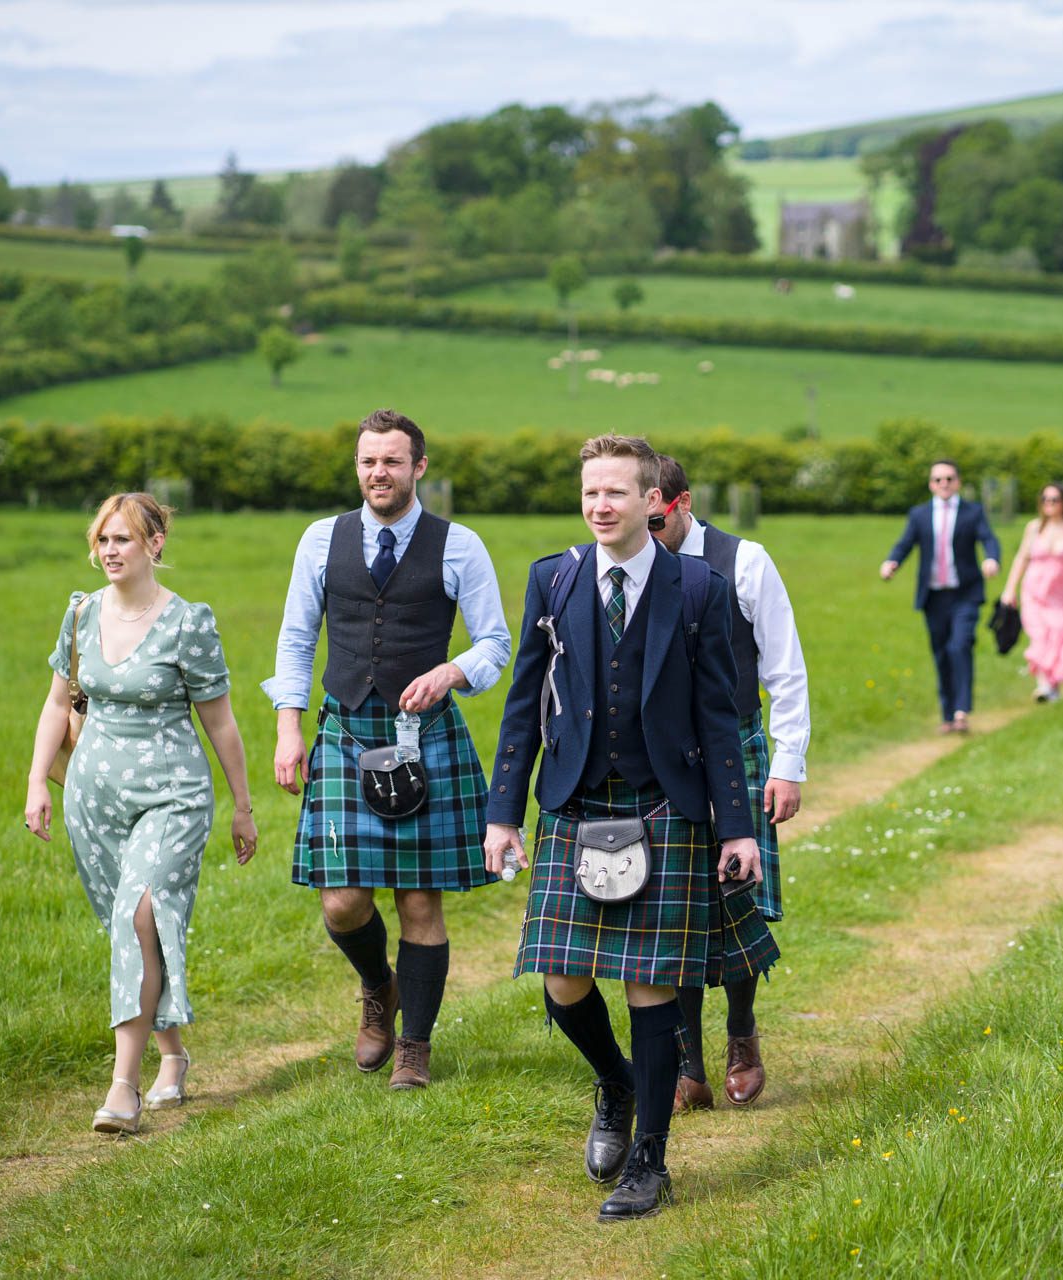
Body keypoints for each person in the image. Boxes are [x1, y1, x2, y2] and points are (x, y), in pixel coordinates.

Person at [485, 434, 758, 1222]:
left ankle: (651, 1161)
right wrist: (505, 812)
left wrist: (734, 826)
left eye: (615, 493)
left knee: (650, 987)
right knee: (563, 983)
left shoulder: (697, 587)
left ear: (653, 502)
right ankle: (615, 1084)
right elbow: (521, 707)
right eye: (589, 493)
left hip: (665, 804)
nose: (599, 505)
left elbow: (718, 714)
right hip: (573, 801)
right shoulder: (554, 578)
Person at [266, 409, 510, 1091]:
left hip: (424, 737)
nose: (380, 472)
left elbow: (495, 642)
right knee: (341, 901)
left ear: (419, 468)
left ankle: (415, 1047)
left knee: (419, 904)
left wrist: (451, 672)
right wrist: (290, 728)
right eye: (369, 461)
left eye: (393, 461)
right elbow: (295, 638)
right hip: (345, 729)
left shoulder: (459, 544)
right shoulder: (322, 540)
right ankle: (380, 988)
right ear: (358, 466)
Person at [24, 493, 258, 1135]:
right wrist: (36, 783)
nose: (109, 552)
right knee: (133, 930)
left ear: (155, 545)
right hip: (92, 800)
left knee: (138, 915)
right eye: (102, 540)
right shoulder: (79, 614)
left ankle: (121, 1088)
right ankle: (173, 1055)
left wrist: (241, 806)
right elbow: (55, 705)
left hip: (172, 796)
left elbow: (222, 722)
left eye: (122, 539)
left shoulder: (188, 623)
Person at [650, 455, 808, 1112]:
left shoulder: (745, 560)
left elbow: (785, 667)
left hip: (735, 748)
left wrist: (787, 761)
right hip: (659, 756)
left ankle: (741, 1036)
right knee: (671, 910)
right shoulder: (624, 566)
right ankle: (689, 1063)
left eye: (656, 520)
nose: (646, 532)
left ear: (683, 503)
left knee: (734, 901)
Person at [879, 458, 1001, 734]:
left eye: (949, 479)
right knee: (941, 653)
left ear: (957, 482)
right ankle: (948, 716)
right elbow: (906, 543)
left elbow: (988, 538)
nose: (944, 484)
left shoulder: (973, 512)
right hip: (934, 597)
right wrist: (891, 563)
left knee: (960, 645)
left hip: (965, 594)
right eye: (938, 480)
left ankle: (961, 711)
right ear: (931, 484)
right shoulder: (919, 514)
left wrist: (992, 558)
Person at [1000, 483, 1063, 703]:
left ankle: (1053, 684)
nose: (1049, 503)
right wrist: (1010, 588)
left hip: (1060, 594)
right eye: (1045, 499)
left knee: (1057, 636)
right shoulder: (1034, 527)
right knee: (1039, 636)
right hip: (1034, 592)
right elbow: (1021, 558)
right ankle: (1044, 685)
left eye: (1054, 499)